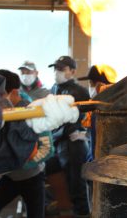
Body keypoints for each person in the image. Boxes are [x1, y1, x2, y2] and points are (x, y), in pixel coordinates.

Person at [0, 72, 80, 218]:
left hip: (32, 176)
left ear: (14, 93)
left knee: (36, 214)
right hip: (11, 177)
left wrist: (23, 164)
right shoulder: (6, 116)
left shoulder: (31, 113)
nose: (2, 100)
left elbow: (47, 149)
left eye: (3, 94)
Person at [46, 55, 91, 217]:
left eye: (61, 69)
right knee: (56, 177)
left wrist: (84, 134)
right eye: (55, 68)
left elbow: (87, 118)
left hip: (74, 142)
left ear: (72, 71)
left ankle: (82, 213)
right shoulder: (54, 88)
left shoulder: (80, 91)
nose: (57, 72)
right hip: (57, 140)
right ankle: (65, 208)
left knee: (76, 181)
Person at [77, 64, 115, 159]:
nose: (89, 87)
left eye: (90, 83)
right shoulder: (102, 107)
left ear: (100, 85)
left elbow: (96, 145)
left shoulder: (100, 111)